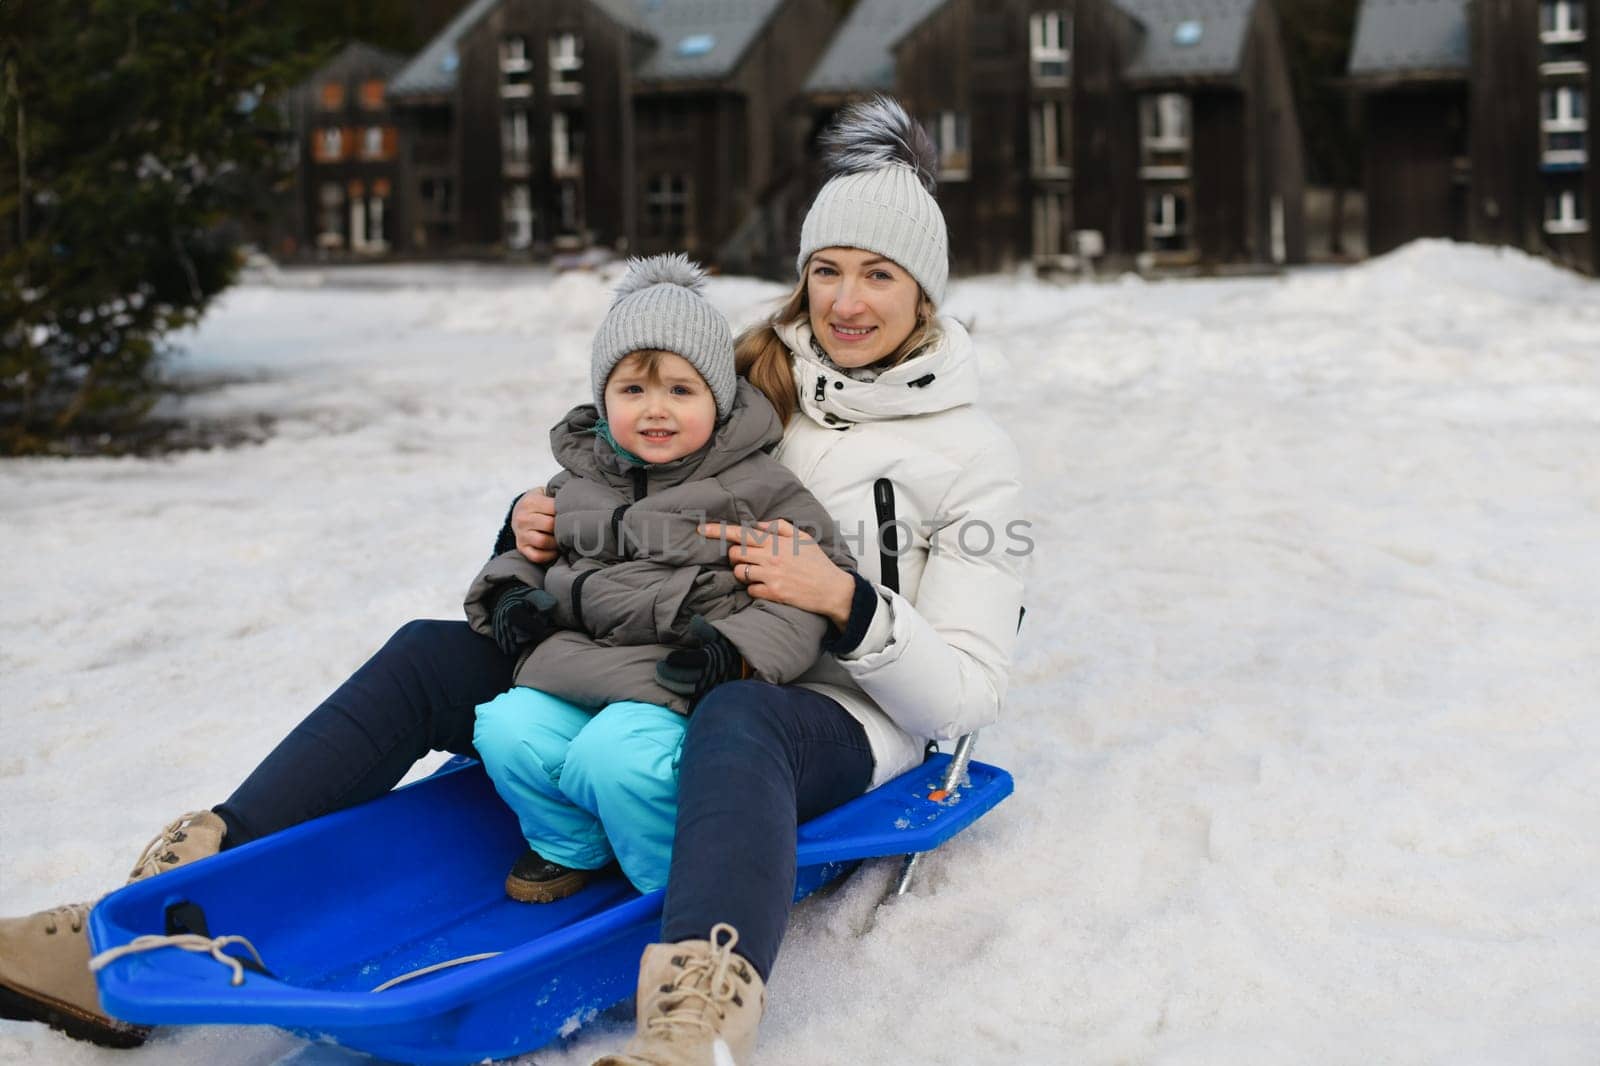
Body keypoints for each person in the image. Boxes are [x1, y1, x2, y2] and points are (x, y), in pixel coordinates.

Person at [0, 95, 1025, 1066]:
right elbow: (613, 482)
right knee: (426, 656)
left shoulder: (972, 455)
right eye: (828, 270)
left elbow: (968, 695)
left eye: (880, 276)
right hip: (647, 655)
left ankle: (701, 1006)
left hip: (833, 711)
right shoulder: (736, 378)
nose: (847, 302)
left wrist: (846, 602)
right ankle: (156, 911)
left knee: (738, 720)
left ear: (924, 292)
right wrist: (528, 532)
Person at [464, 253, 854, 904]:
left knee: (615, 757)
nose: (656, 411)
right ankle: (573, 843)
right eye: (633, 390)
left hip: (683, 683)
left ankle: (674, 881)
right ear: (603, 399)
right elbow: (531, 551)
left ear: (717, 397)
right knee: (505, 728)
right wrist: (509, 592)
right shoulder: (578, 482)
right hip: (578, 671)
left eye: (681, 390)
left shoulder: (755, 486)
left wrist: (733, 653)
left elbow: (812, 588)